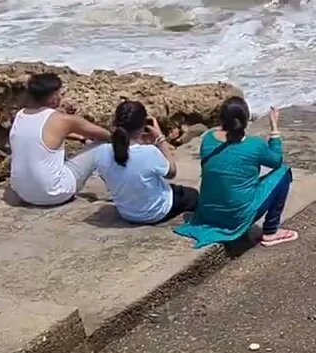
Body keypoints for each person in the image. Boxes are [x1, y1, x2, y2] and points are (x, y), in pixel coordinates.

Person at [174, 96, 297, 247]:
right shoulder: (254, 145)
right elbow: (276, 160)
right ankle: (271, 231)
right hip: (236, 216)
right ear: (247, 119)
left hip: (207, 214)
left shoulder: (208, 139)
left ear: (221, 119)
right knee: (284, 172)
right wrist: (274, 128)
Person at [8, 73, 111, 206]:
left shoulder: (20, 115)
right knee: (102, 145)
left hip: (22, 192)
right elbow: (105, 135)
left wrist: (79, 138)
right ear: (53, 97)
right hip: (55, 193)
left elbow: (39, 135)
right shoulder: (63, 120)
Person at [95, 100, 199, 224]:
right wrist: (160, 139)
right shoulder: (149, 152)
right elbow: (172, 173)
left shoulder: (101, 151)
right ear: (143, 126)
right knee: (193, 195)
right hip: (156, 212)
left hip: (126, 213)